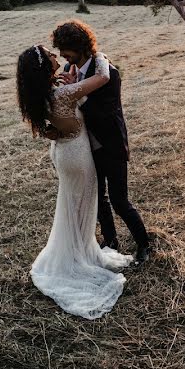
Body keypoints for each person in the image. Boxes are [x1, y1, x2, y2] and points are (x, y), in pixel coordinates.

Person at [16, 44, 132, 319]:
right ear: (44, 65)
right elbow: (102, 77)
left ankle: (82, 249)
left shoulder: (43, 94)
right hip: (77, 156)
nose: (56, 56)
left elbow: (53, 130)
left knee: (73, 204)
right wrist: (100, 56)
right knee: (82, 204)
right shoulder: (62, 93)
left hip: (64, 153)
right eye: (50, 55)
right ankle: (78, 259)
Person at [51, 20, 151, 264]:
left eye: (66, 49)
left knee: (119, 200)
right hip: (86, 148)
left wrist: (76, 93)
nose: (63, 55)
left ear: (80, 46)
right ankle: (111, 242)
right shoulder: (69, 68)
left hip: (111, 144)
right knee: (98, 199)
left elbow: (106, 112)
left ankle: (144, 245)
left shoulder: (108, 71)